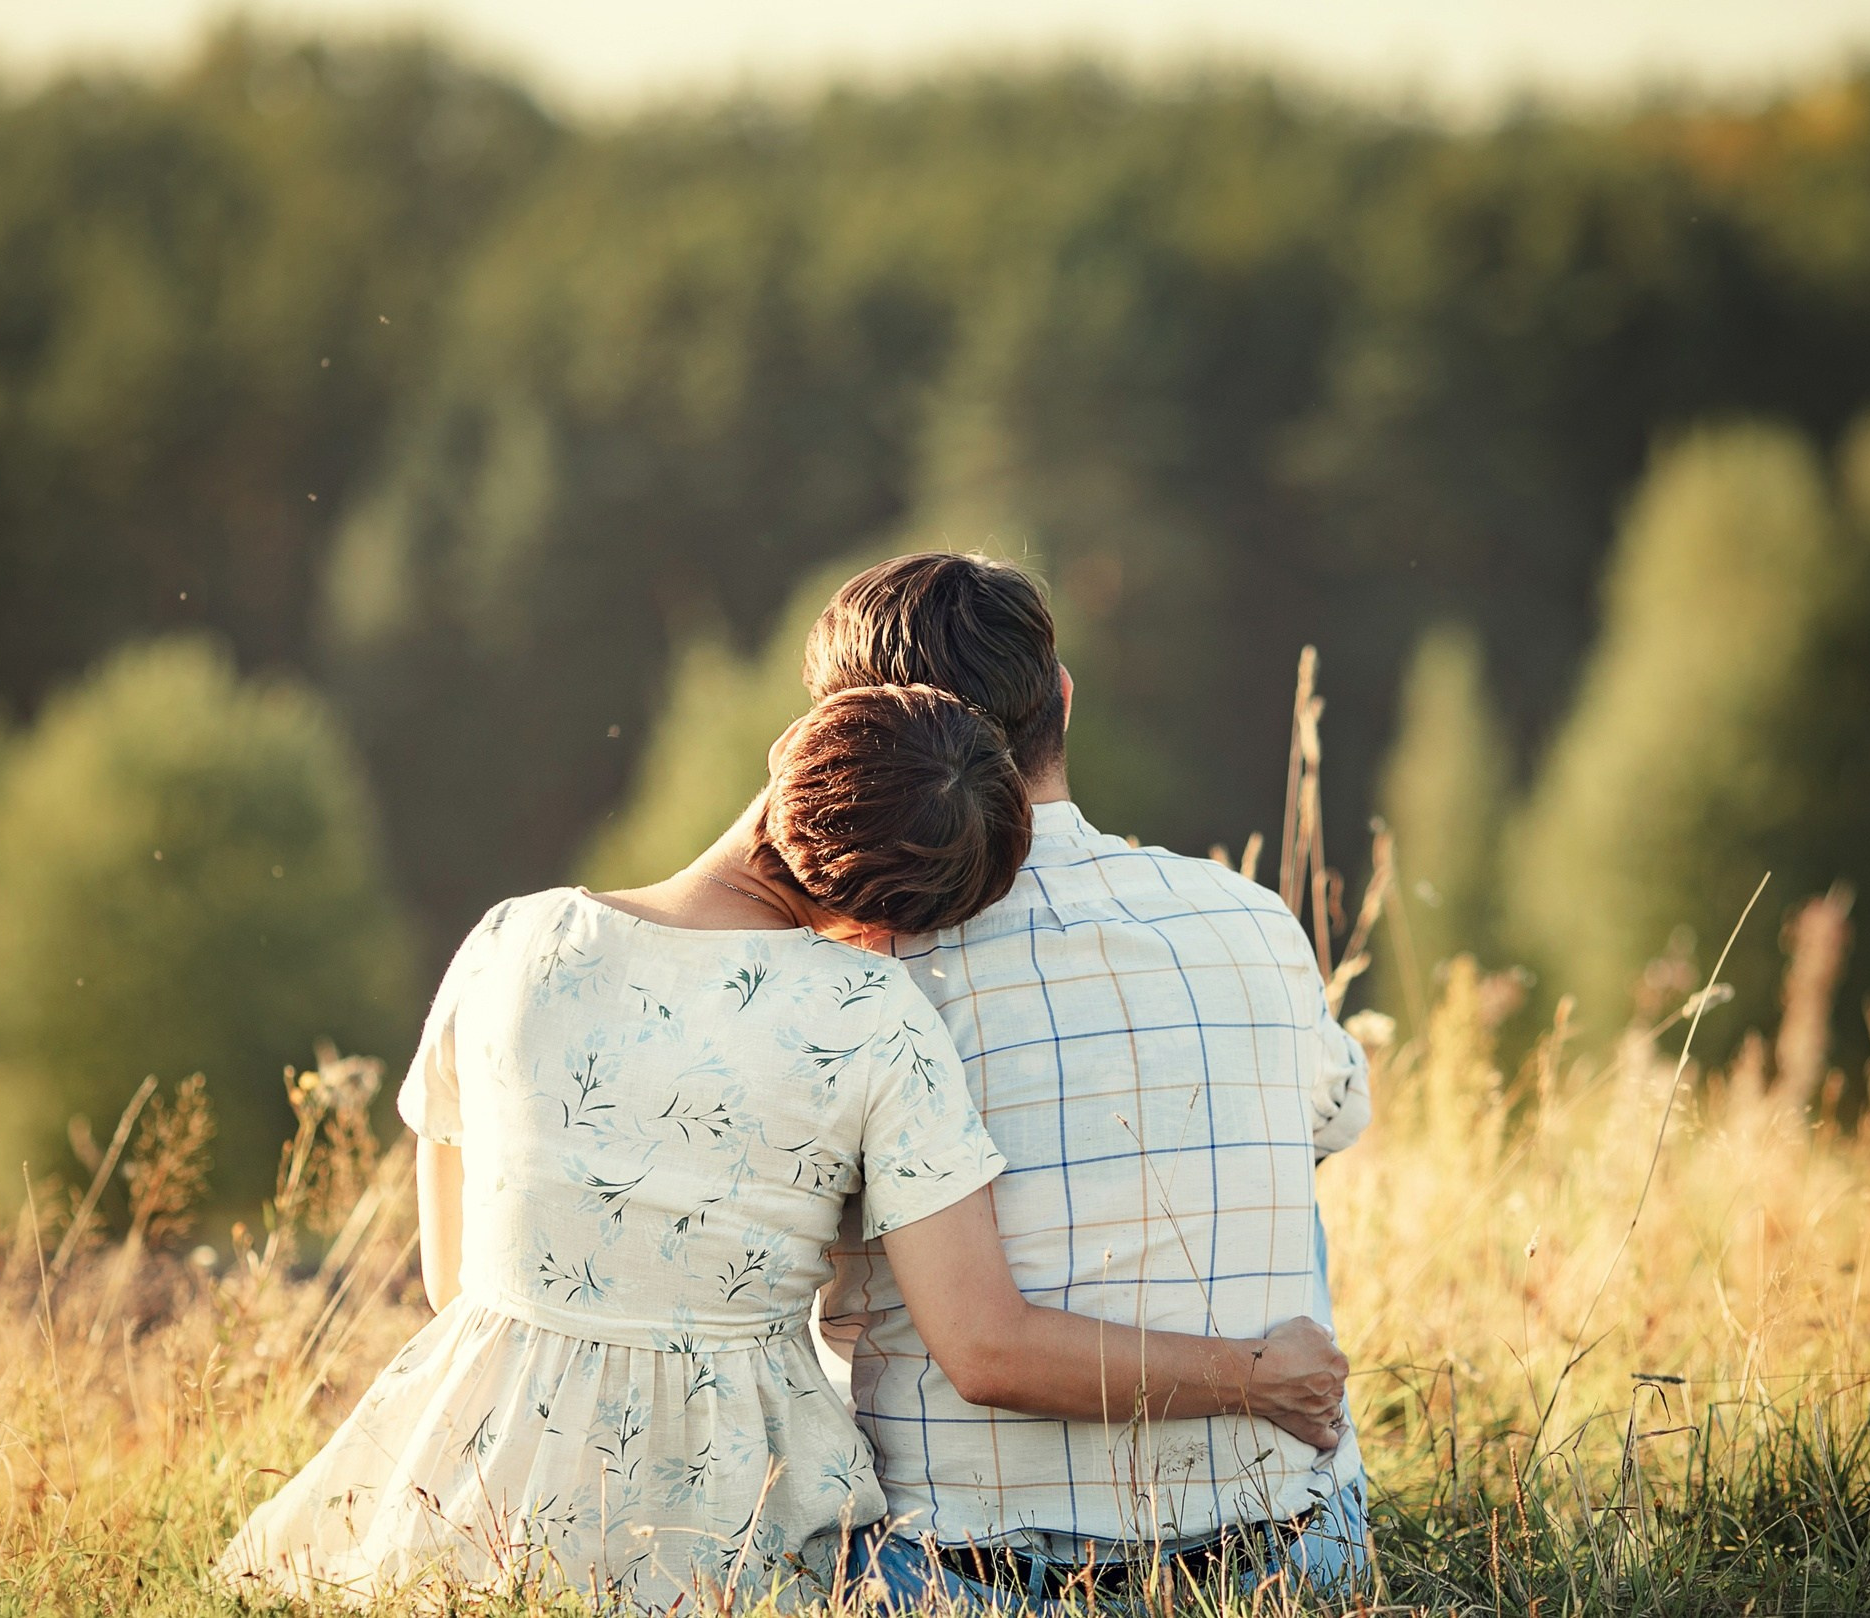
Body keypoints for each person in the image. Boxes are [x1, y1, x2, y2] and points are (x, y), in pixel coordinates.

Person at [213, 683, 1351, 1609]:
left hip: (465, 1481)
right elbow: (987, 1344)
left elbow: (450, 1278)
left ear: (787, 748)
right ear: (896, 914)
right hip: (721, 1517)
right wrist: (1254, 1375)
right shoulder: (869, 1012)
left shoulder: (515, 938)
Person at [813, 555, 1378, 1607]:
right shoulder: (1248, 912)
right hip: (1290, 1551)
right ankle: (1236, 1474)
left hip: (966, 1576)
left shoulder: (856, 979)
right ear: (1060, 700)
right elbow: (1335, 1114)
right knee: (1274, 1152)